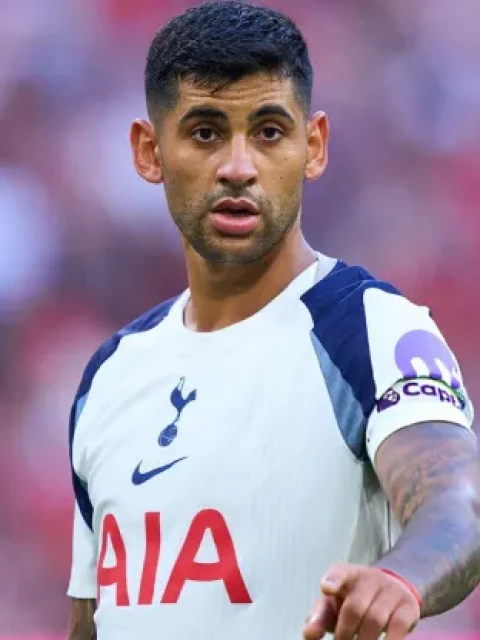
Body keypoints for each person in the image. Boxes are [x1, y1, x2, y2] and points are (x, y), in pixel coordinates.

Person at [66, 3, 480, 639]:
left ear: (312, 147)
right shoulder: (110, 377)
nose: (239, 167)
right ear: (150, 151)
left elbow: (459, 505)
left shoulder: (368, 328)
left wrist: (400, 579)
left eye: (268, 132)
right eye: (206, 133)